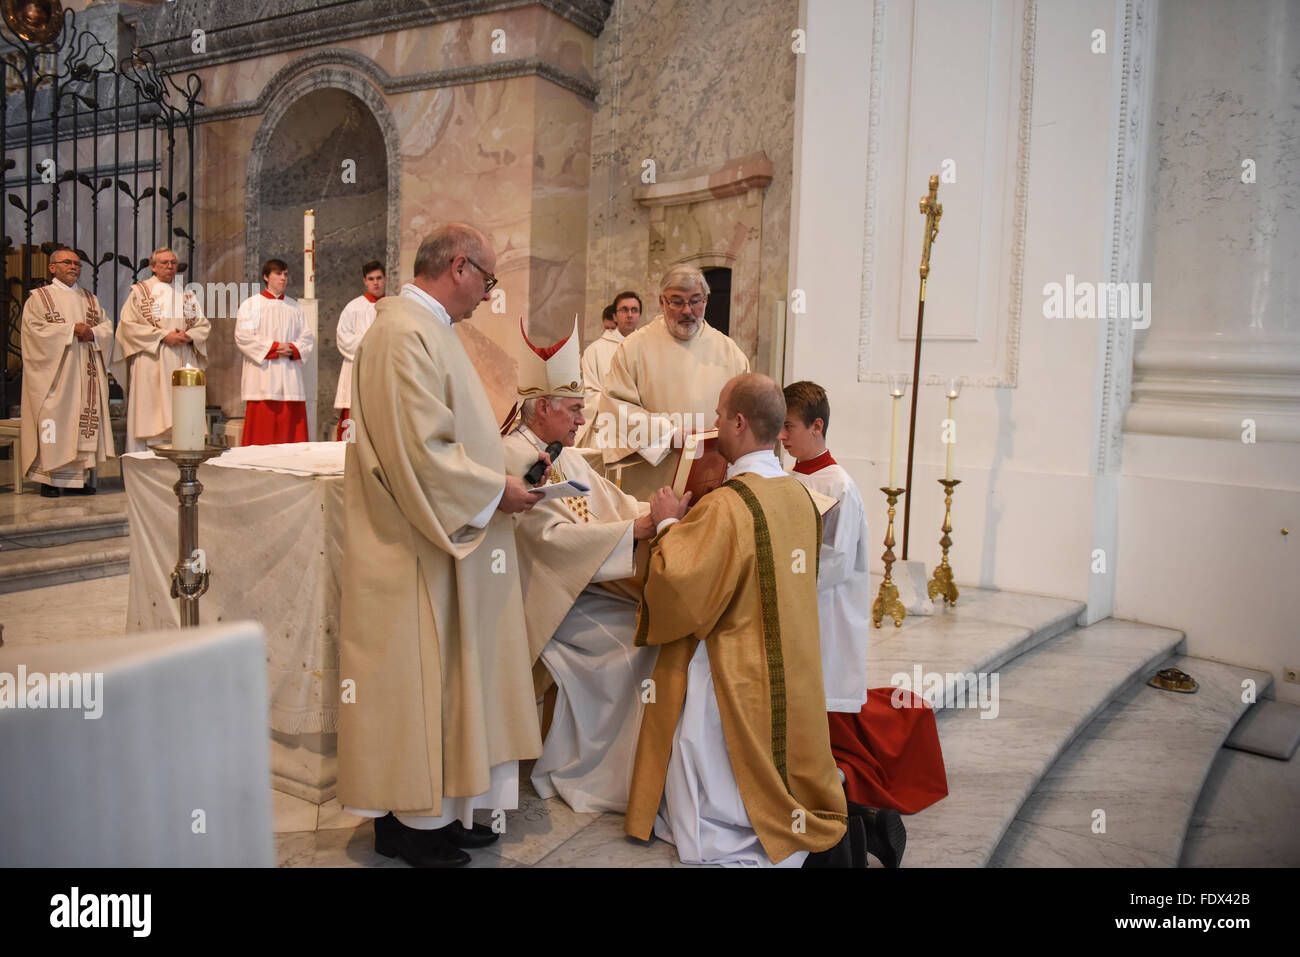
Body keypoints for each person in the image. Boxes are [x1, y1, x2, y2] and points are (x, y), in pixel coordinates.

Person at [338, 223, 549, 868]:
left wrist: (507, 471)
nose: (488, 294)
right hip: (411, 550)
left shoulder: (430, 328)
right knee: (415, 684)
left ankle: (439, 815)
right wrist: (496, 493)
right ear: (458, 266)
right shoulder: (403, 332)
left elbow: (455, 435)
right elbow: (421, 455)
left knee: (444, 683)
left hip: (442, 545)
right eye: (487, 280)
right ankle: (407, 825)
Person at [624, 373, 862, 867]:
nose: (713, 425)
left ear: (737, 422)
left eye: (717, 416)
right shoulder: (800, 496)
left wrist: (668, 521)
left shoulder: (729, 505)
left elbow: (680, 589)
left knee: (694, 745)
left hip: (731, 671)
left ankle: (742, 825)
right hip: (787, 670)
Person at [781, 380, 949, 867]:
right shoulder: (795, 476)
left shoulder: (838, 486)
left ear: (817, 426)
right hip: (804, 624)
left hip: (825, 626)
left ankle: (854, 833)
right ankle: (856, 830)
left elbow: (830, 565)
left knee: (823, 741)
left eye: (790, 427)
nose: (783, 436)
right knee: (812, 740)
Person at [503, 316, 658, 814]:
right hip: (539, 600)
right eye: (573, 409)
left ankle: (622, 766)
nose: (580, 420)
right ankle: (585, 771)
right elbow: (546, 543)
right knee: (633, 648)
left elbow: (610, 502)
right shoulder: (510, 457)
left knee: (647, 633)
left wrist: (654, 514)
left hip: (576, 588)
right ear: (542, 407)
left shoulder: (564, 455)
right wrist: (633, 531)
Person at [595, 268, 748, 500]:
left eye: (695, 301)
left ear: (706, 300)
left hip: (712, 487)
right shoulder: (633, 349)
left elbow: (746, 418)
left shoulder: (731, 353)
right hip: (651, 487)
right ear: (661, 301)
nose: (687, 310)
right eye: (676, 302)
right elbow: (614, 411)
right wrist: (669, 435)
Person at [19, 246, 115, 497]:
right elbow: (33, 332)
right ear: (52, 268)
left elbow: (107, 328)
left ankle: (77, 479)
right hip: (55, 375)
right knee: (54, 422)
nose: (73, 267)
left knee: (81, 422)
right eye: (67, 263)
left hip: (86, 372)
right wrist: (71, 329)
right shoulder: (39, 298)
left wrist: (93, 332)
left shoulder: (90, 299)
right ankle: (49, 479)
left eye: (77, 264)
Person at [111, 247, 210, 451]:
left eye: (173, 262)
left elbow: (203, 325)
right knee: (151, 414)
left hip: (182, 358)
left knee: (181, 415)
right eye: (164, 263)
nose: (170, 266)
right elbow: (128, 326)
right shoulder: (140, 292)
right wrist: (164, 336)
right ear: (153, 266)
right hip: (152, 359)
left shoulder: (188, 294)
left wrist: (189, 336)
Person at [234, 258, 314, 446]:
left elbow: (307, 338)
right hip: (262, 377)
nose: (283, 278)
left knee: (290, 435)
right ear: (266, 277)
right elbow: (243, 336)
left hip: (290, 376)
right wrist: (274, 347)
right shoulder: (251, 305)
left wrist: (293, 348)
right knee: (262, 435)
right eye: (278, 274)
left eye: (285, 274)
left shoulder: (295, 307)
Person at [578, 292, 641, 447]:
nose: (629, 315)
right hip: (607, 427)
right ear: (615, 315)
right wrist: (620, 406)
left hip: (640, 428)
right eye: (624, 310)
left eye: (634, 310)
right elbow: (589, 393)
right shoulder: (595, 350)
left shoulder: (648, 348)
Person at [332, 259, 385, 441]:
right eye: (371, 279)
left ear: (385, 279)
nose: (376, 283)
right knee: (353, 417)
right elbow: (343, 338)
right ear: (364, 281)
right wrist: (371, 344)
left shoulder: (393, 306)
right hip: (357, 368)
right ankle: (345, 456)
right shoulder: (353, 307)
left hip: (383, 369)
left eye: (379, 278)